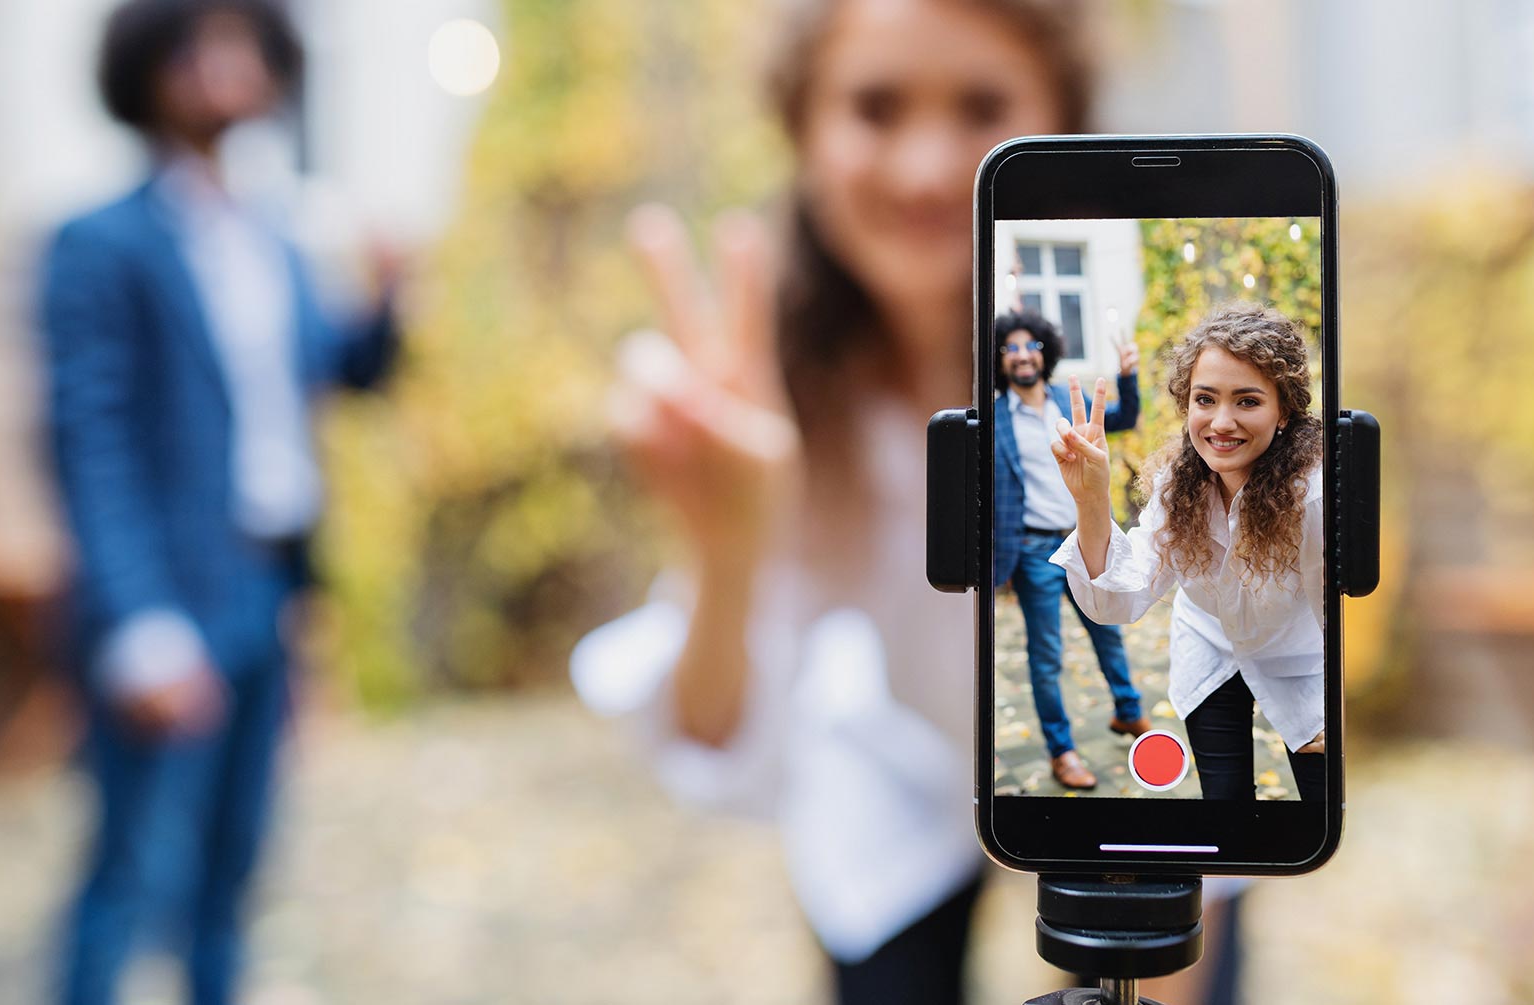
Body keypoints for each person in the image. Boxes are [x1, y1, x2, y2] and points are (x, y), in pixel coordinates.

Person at [569, 1, 1098, 1002]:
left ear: (1062, 117)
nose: (928, 168)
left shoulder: (1133, 355)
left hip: (1115, 780)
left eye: (981, 104)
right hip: (898, 778)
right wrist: (726, 547)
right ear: (801, 131)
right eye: (875, 107)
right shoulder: (773, 372)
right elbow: (719, 731)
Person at [37, 2, 398, 1001]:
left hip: (268, 585)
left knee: (233, 872)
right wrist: (141, 624)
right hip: (170, 597)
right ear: (147, 65)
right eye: (199, 42)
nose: (225, 66)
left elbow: (336, 373)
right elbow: (88, 443)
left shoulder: (274, 237)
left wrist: (391, 304)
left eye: (244, 42)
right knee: (130, 873)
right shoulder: (98, 243)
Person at [1048, 301, 1328, 802]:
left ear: (1284, 409)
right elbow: (1118, 599)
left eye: (1247, 401)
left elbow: (1342, 610)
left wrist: (1339, 701)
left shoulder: (1314, 494)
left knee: (1323, 805)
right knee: (1225, 806)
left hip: (1304, 660)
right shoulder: (1179, 488)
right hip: (1211, 647)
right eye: (1206, 399)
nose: (1221, 422)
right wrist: (1091, 498)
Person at [990, 309, 1145, 790]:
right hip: (1034, 551)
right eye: (1010, 347)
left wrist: (1128, 375)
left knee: (1108, 631)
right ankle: (1063, 751)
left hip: (1081, 539)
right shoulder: (992, 419)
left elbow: (1124, 417)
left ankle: (1129, 712)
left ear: (1045, 351)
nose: (1020, 355)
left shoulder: (1066, 403)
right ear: (999, 359)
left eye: (1029, 346)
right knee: (1046, 655)